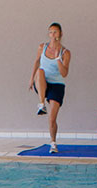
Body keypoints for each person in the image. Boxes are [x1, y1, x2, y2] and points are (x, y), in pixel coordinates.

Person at [29, 22, 70, 153]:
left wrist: (58, 59)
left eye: (55, 32)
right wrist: (31, 80)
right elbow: (36, 62)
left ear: (60, 34)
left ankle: (53, 143)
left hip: (57, 85)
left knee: (52, 119)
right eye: (51, 32)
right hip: (42, 83)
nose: (53, 35)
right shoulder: (42, 47)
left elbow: (64, 73)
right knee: (40, 71)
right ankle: (41, 104)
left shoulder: (65, 52)